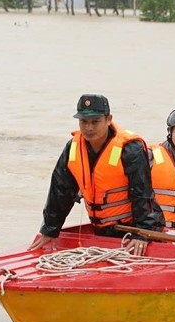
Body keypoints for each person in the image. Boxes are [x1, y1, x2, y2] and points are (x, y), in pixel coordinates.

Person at [32, 93, 165, 255]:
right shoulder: (73, 147)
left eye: (95, 122)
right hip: (101, 229)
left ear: (108, 119)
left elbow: (142, 193)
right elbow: (60, 191)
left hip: (132, 227)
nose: (89, 128)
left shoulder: (130, 148)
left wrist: (143, 233)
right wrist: (50, 229)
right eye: (84, 122)